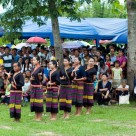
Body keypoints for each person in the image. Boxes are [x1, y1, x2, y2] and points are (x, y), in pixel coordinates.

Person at [30, 56, 44, 121]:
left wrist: (39, 76)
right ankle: (36, 116)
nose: (33, 61)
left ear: (38, 61)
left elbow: (41, 79)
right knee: (34, 102)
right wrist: (30, 79)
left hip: (38, 86)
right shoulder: (33, 68)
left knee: (39, 102)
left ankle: (39, 117)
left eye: (34, 60)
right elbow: (31, 77)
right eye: (33, 60)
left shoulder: (41, 68)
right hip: (33, 86)